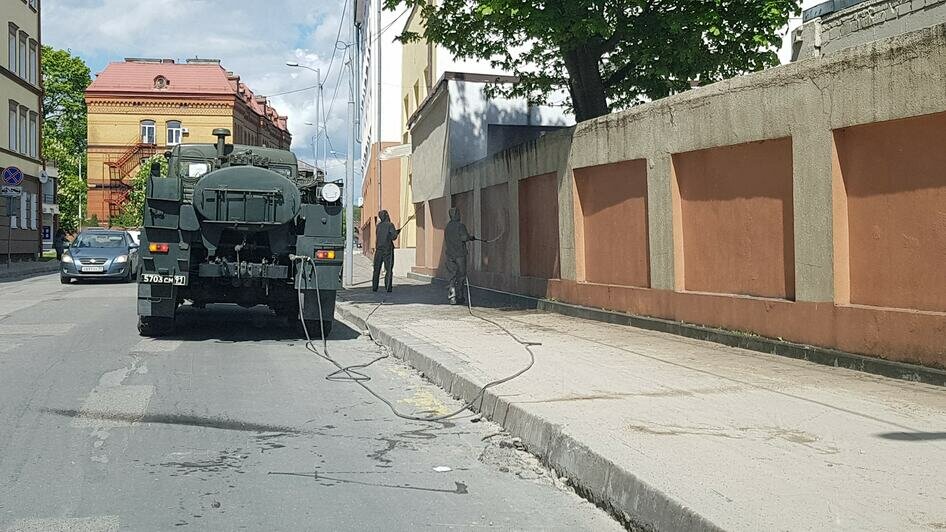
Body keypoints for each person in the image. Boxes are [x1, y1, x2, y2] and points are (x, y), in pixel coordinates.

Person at [444, 207, 476, 304]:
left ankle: (452, 297)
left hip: (449, 254)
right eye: (458, 214)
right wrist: (470, 237)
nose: (459, 216)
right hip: (460, 254)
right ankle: (460, 296)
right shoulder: (460, 226)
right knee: (461, 276)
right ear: (456, 215)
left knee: (452, 276)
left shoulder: (447, 227)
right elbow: (464, 237)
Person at [372, 210, 401, 293]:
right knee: (388, 269)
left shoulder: (378, 226)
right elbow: (393, 237)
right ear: (387, 215)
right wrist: (397, 232)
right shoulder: (390, 225)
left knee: (376, 269)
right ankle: (388, 287)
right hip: (388, 250)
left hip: (378, 250)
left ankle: (374, 287)